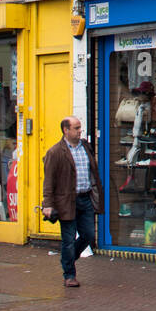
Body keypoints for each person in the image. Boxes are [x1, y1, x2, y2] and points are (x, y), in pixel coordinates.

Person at [42, 117, 103, 288]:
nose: (79, 131)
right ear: (65, 130)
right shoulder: (55, 152)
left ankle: (67, 258)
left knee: (89, 235)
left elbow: (93, 173)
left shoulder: (85, 147)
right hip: (66, 202)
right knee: (68, 239)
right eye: (76, 128)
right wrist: (48, 204)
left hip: (85, 198)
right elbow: (49, 181)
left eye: (80, 128)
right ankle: (69, 275)